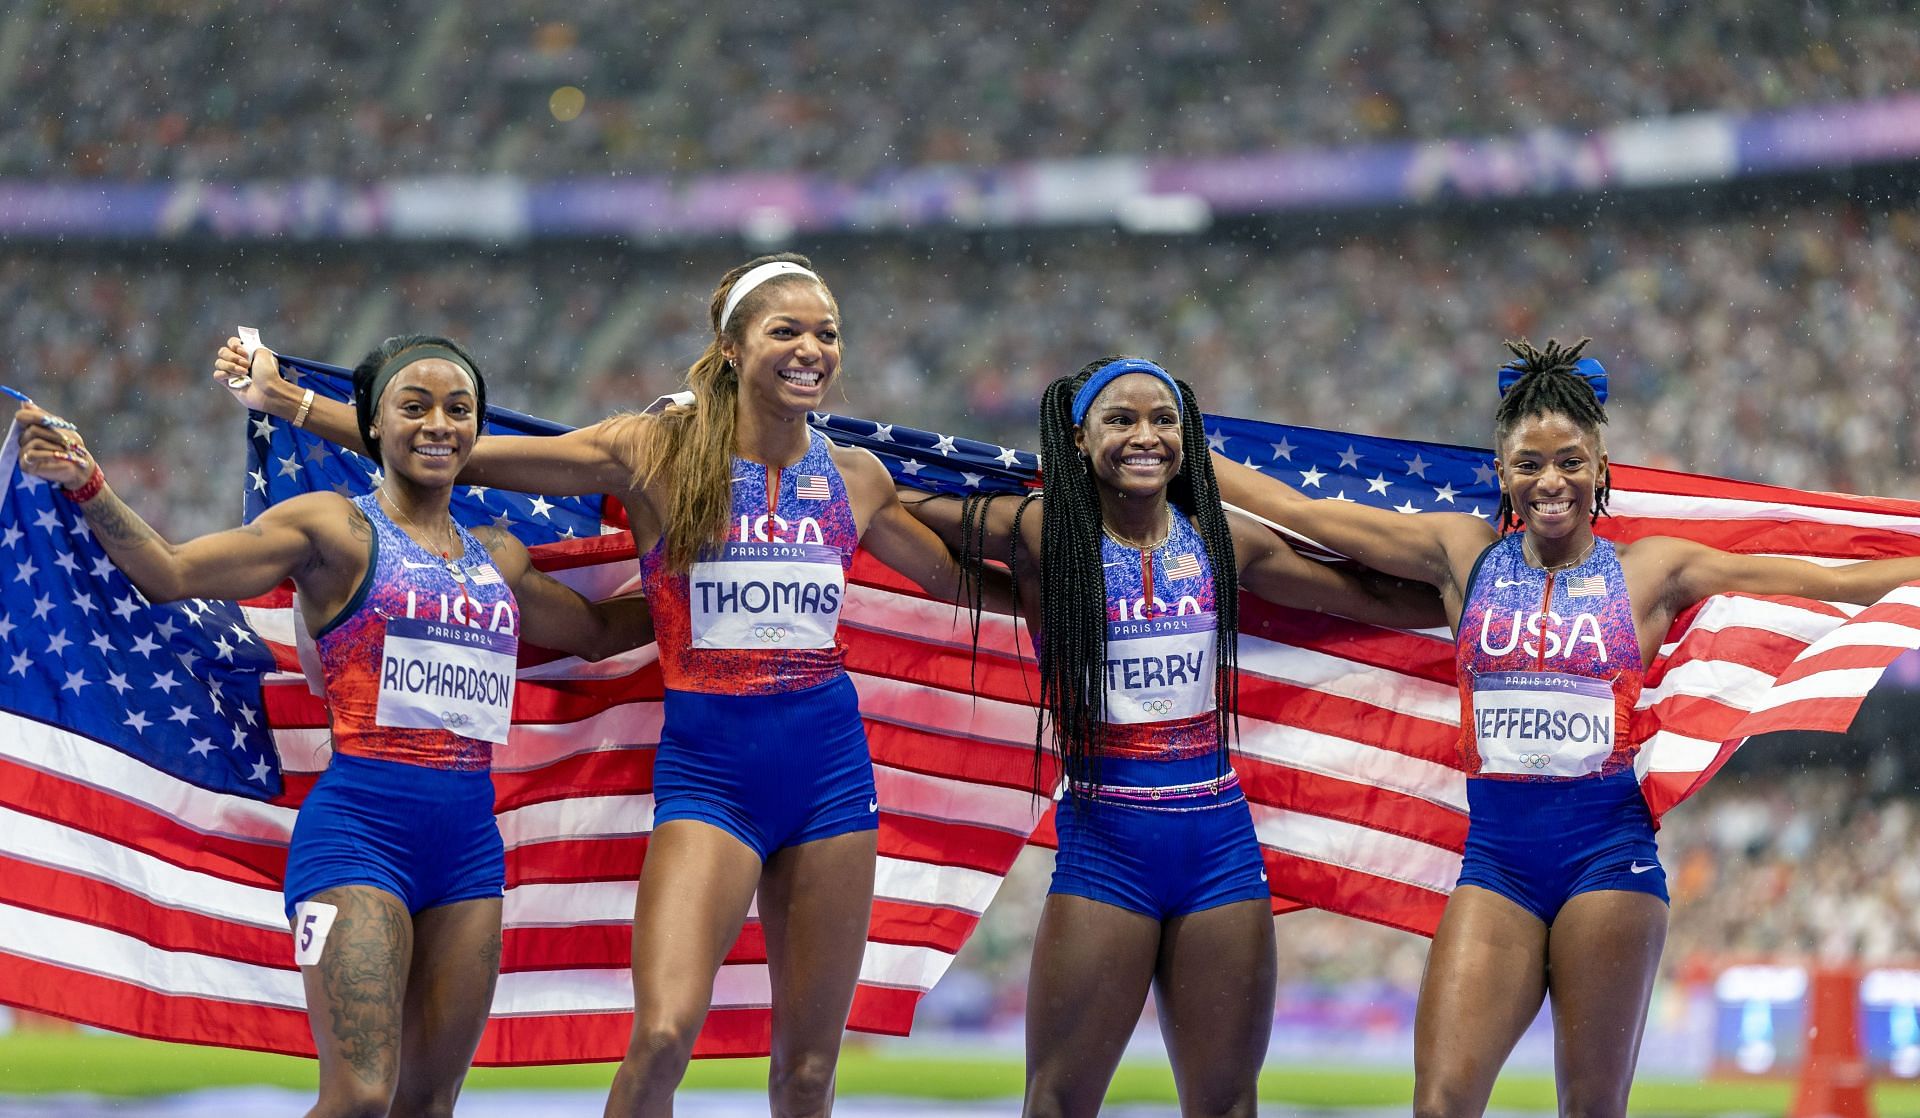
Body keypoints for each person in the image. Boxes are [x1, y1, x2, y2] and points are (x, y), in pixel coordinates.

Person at [214, 254, 993, 1118]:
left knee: (810, 1074)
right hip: (714, 781)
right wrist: (294, 407)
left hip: (832, 779)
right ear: (731, 348)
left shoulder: (856, 478)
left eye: (827, 333)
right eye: (786, 330)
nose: (811, 348)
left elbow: (957, 581)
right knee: (661, 1038)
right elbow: (461, 456)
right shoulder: (655, 450)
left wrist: (1085, 585)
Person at [1212, 337, 1920, 1118]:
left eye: (1570, 461)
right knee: (1441, 1102)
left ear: (1601, 468)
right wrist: (1179, 445)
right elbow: (1296, 510)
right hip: (1497, 869)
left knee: (1589, 1109)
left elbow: (1829, 579)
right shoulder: (1462, 555)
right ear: (1504, 473)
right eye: (1530, 464)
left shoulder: (1652, 569)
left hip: (1607, 863)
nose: (1551, 481)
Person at [17, 335, 652, 1118]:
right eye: (413, 407)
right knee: (356, 1098)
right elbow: (171, 572)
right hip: (358, 838)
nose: (438, 425)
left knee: (429, 1104)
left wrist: (701, 570)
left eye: (459, 410)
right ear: (373, 425)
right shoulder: (333, 531)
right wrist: (89, 485)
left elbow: (594, 633)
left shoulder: (501, 557)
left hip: (468, 855)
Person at [902, 356, 1442, 1118]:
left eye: (1164, 420)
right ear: (1078, 439)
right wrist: (827, 459)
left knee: (1226, 1105)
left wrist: (1477, 589)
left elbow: (1366, 596)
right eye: (1120, 420)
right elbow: (908, 512)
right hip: (1106, 845)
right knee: (1057, 1102)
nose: (1146, 435)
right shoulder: (1041, 532)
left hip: (1218, 845)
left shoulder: (1220, 539)